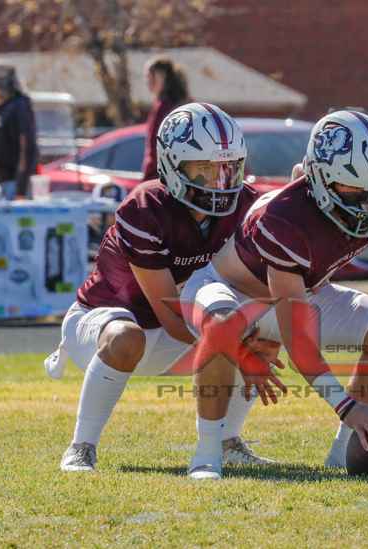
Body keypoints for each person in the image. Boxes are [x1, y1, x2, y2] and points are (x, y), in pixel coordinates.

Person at [44, 103, 276, 472]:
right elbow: (169, 315)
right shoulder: (146, 208)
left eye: (227, 168)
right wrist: (237, 347)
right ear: (173, 166)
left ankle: (228, 440)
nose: (218, 181)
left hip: (176, 334)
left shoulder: (245, 205)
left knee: (263, 323)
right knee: (128, 337)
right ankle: (81, 446)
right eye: (203, 169)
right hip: (107, 323)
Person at [181, 110, 368, 480]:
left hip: (298, 288)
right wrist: (346, 406)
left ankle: (343, 455)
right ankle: (207, 453)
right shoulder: (283, 219)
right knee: (222, 326)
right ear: (319, 178)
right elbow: (298, 338)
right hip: (230, 290)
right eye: (353, 189)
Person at [0, 64, 38, 201]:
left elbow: (26, 147)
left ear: (1, 86)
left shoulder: (20, 106)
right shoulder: (2, 109)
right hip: (1, 185)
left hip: (15, 185)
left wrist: (21, 189)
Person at [142, 56, 189, 181]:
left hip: (162, 176)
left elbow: (155, 147)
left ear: (161, 77)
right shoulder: (183, 103)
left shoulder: (163, 107)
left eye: (149, 77)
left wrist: (148, 177)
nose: (147, 82)